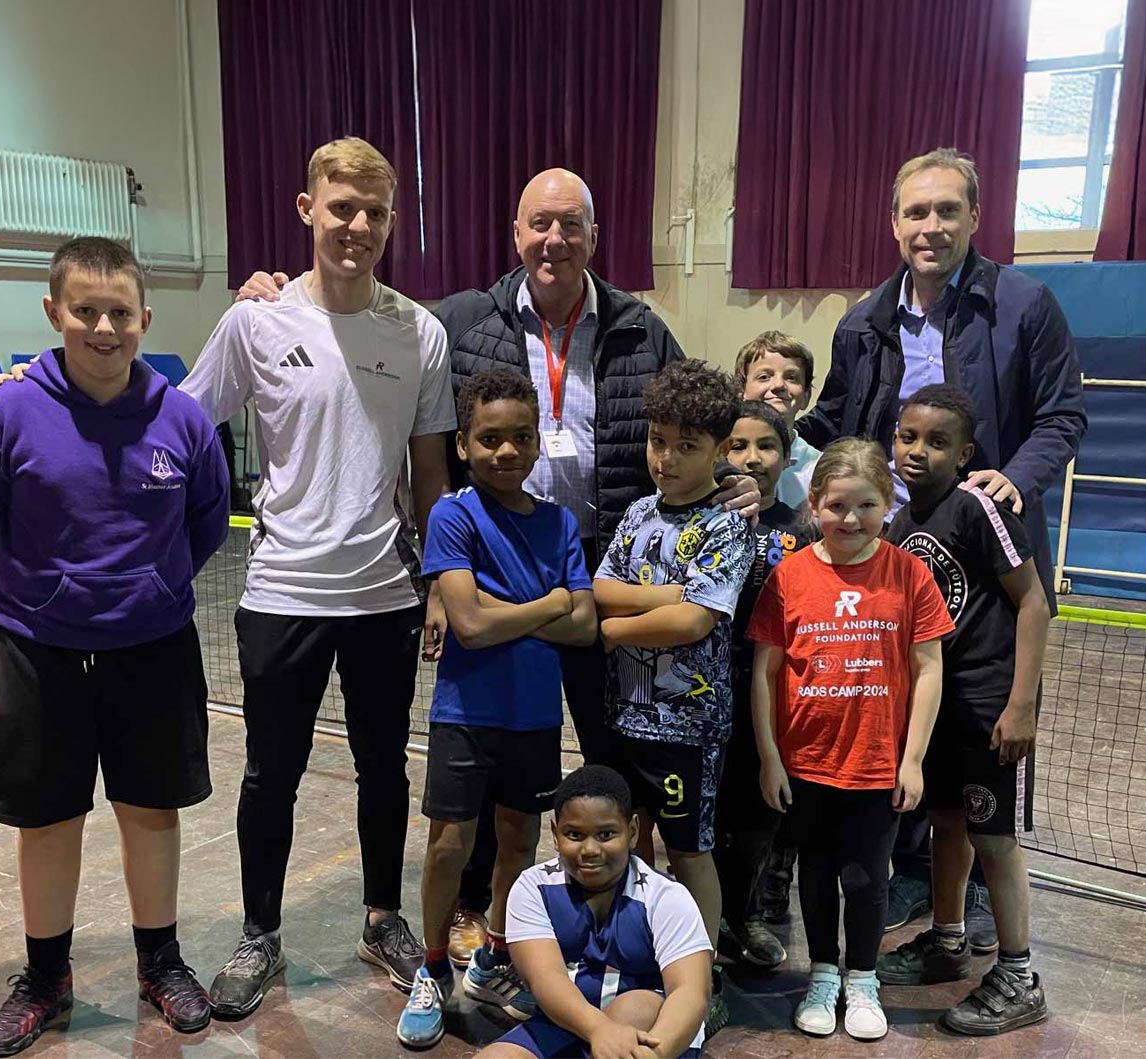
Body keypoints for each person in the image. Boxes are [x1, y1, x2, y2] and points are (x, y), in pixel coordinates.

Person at [235, 169, 761, 963]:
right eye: (539, 224)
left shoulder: (639, 328)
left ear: (593, 236)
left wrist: (739, 471)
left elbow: (691, 419)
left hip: (601, 568)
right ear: (515, 234)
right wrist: (275, 292)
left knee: (607, 758)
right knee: (488, 764)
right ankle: (479, 919)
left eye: (571, 225)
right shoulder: (458, 322)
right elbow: (394, 379)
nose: (555, 240)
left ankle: (611, 918)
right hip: (489, 566)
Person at [0, 237, 230, 1056]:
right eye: (85, 311)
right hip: (40, 652)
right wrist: (37, 594)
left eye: (120, 312)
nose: (104, 327)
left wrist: (153, 587)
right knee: (49, 819)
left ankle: (160, 961)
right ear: (54, 312)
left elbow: (206, 519)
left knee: (150, 811)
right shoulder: (3, 413)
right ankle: (45, 976)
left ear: (145, 316)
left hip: (154, 649)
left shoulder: (181, 417)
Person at [186, 137, 454, 1014]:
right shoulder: (255, 321)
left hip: (383, 592)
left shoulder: (419, 331)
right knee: (272, 773)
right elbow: (182, 425)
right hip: (282, 594)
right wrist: (56, 389)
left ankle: (382, 917)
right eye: (343, 208)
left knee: (387, 771)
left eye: (376, 212)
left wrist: (441, 579)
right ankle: (260, 932)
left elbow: (429, 475)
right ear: (308, 211)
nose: (360, 226)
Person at [796, 147, 1084, 936]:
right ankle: (920, 877)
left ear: (975, 218)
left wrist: (1011, 479)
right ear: (894, 223)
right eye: (916, 212)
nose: (931, 226)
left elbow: (1064, 417)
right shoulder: (862, 323)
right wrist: (763, 434)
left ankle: (985, 893)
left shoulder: (1025, 307)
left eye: (946, 210)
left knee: (981, 723)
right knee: (906, 715)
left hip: (986, 556)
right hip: (892, 557)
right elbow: (831, 425)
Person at [397, 368, 597, 1048]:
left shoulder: (560, 521)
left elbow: (586, 625)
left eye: (519, 438)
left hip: (536, 715)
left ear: (536, 444)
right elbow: (471, 625)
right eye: (490, 439)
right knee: (450, 844)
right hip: (465, 711)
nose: (506, 452)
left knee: (519, 839)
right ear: (463, 444)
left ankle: (495, 956)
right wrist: (546, 605)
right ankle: (430, 968)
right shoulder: (453, 513)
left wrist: (496, 608)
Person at [745, 438, 950, 1042]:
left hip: (877, 761)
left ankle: (863, 979)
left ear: (888, 505)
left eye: (865, 505)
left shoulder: (908, 574)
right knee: (815, 874)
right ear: (813, 506)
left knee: (866, 880)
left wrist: (911, 759)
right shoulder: (789, 577)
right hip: (806, 761)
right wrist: (769, 758)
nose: (851, 519)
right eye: (837, 506)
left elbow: (929, 668)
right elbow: (765, 671)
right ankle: (824, 975)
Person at [876, 385, 1051, 1034]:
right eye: (908, 436)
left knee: (993, 837)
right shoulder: (897, 521)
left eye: (937, 441)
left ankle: (1017, 976)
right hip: (938, 708)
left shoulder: (978, 507)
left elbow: (1032, 601)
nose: (918, 451)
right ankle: (946, 943)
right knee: (947, 822)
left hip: (988, 705)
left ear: (965, 452)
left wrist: (1022, 703)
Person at [591, 359, 751, 1036]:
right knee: (637, 847)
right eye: (659, 440)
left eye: (686, 445)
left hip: (688, 725)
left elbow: (694, 622)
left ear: (719, 448)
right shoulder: (636, 514)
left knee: (690, 852)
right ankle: (643, 960)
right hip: (626, 716)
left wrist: (615, 629)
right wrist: (666, 595)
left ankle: (700, 974)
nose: (667, 457)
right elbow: (603, 583)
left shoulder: (725, 522)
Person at [477, 765, 713, 1059]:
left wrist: (653, 1055)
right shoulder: (533, 887)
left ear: (633, 831)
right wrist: (599, 1029)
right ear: (555, 833)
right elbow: (545, 978)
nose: (590, 849)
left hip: (653, 1034)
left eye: (606, 834)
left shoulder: (666, 897)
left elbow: (691, 992)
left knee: (636, 1006)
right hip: (568, 1022)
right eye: (574, 834)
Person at [711, 401, 816, 973]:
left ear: (786, 453)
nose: (751, 458)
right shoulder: (702, 516)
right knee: (709, 813)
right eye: (737, 445)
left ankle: (743, 915)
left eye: (766, 446)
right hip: (704, 690)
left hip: (771, 694)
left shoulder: (802, 530)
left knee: (757, 814)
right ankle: (697, 917)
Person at [733, 331, 821, 510]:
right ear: (741, 392)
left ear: (806, 396)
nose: (778, 385)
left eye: (791, 377)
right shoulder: (719, 458)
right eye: (764, 377)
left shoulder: (821, 468)